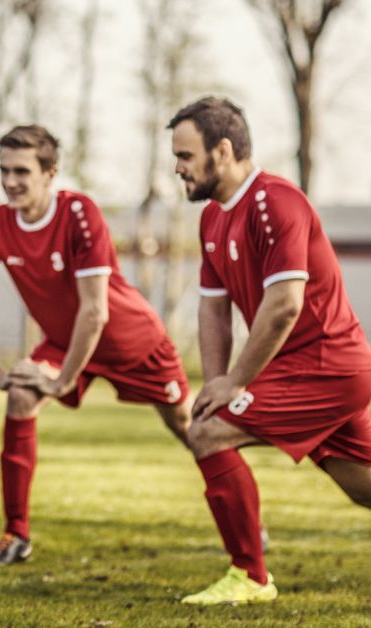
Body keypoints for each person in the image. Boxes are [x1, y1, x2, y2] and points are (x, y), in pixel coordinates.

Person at [0, 124, 192, 567]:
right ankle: (15, 534)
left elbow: (95, 311)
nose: (10, 181)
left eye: (22, 170)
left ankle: (251, 527)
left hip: (132, 342)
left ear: (50, 172)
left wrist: (62, 380)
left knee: (192, 430)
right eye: (4, 170)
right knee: (20, 396)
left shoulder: (79, 212)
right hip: (65, 342)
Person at [170, 97, 371, 605]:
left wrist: (233, 384)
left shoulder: (276, 202)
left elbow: (284, 305)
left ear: (222, 150)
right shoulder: (213, 219)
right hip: (303, 372)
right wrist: (215, 382)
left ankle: (250, 577)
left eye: (186, 156)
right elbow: (213, 310)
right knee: (364, 486)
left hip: (328, 369)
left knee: (209, 435)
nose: (178, 168)